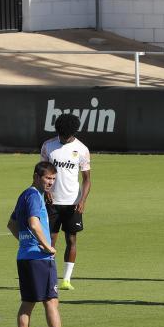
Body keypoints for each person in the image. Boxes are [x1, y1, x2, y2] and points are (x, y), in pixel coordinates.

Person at [7, 161, 76, 327]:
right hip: (40, 258)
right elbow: (34, 224)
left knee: (27, 304)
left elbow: (11, 224)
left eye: (53, 179)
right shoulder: (35, 196)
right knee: (51, 302)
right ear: (36, 176)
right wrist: (48, 247)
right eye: (47, 178)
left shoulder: (24, 195)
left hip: (25, 256)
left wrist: (25, 243)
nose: (50, 182)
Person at [40, 113, 91, 291]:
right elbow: (42, 173)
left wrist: (83, 200)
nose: (63, 138)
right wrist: (45, 191)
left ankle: (66, 279)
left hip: (73, 203)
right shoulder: (48, 146)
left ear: (73, 133)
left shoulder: (82, 149)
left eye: (66, 135)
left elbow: (86, 179)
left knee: (71, 239)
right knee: (49, 241)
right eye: (61, 135)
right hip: (52, 202)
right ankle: (49, 278)